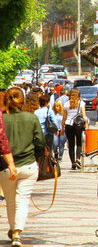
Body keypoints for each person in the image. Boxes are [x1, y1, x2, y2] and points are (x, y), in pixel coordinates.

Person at [1, 87, 43, 247]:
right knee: (22, 200)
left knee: (11, 201)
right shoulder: (31, 118)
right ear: (23, 100)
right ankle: (17, 232)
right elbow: (40, 141)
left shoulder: (2, 118)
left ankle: (14, 231)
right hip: (28, 164)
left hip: (6, 166)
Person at [62, 89, 87, 170]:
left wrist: (62, 128)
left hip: (68, 125)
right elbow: (84, 116)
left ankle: (73, 163)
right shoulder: (81, 103)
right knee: (79, 143)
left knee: (71, 144)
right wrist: (86, 125)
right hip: (78, 125)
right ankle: (78, 159)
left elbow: (64, 117)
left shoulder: (66, 104)